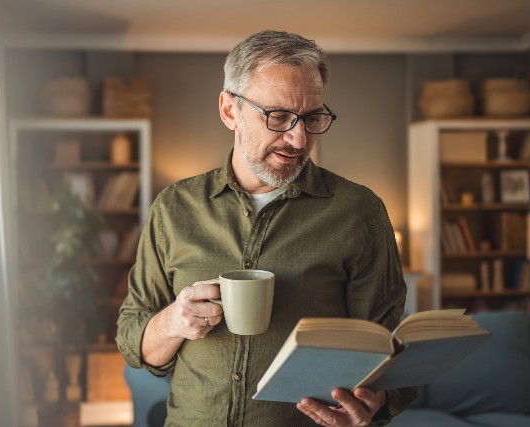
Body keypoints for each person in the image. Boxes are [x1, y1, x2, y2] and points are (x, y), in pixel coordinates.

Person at [116, 30, 417, 427]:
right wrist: (174, 321)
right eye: (278, 116)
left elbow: (388, 348)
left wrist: (373, 404)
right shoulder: (173, 208)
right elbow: (134, 340)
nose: (298, 138)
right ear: (229, 111)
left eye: (312, 118)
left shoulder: (360, 212)